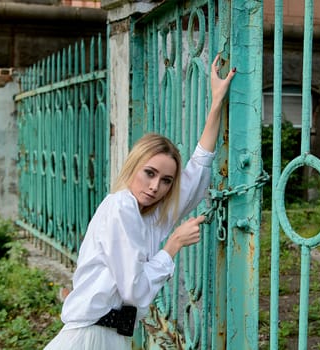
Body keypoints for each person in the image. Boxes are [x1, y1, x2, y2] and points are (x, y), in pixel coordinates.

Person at [44, 54, 236, 349]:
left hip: (111, 336)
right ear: (133, 166)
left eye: (166, 180)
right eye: (149, 173)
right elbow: (135, 291)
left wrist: (216, 102)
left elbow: (198, 170)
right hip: (89, 339)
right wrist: (172, 246)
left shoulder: (150, 215)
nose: (155, 186)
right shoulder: (121, 207)